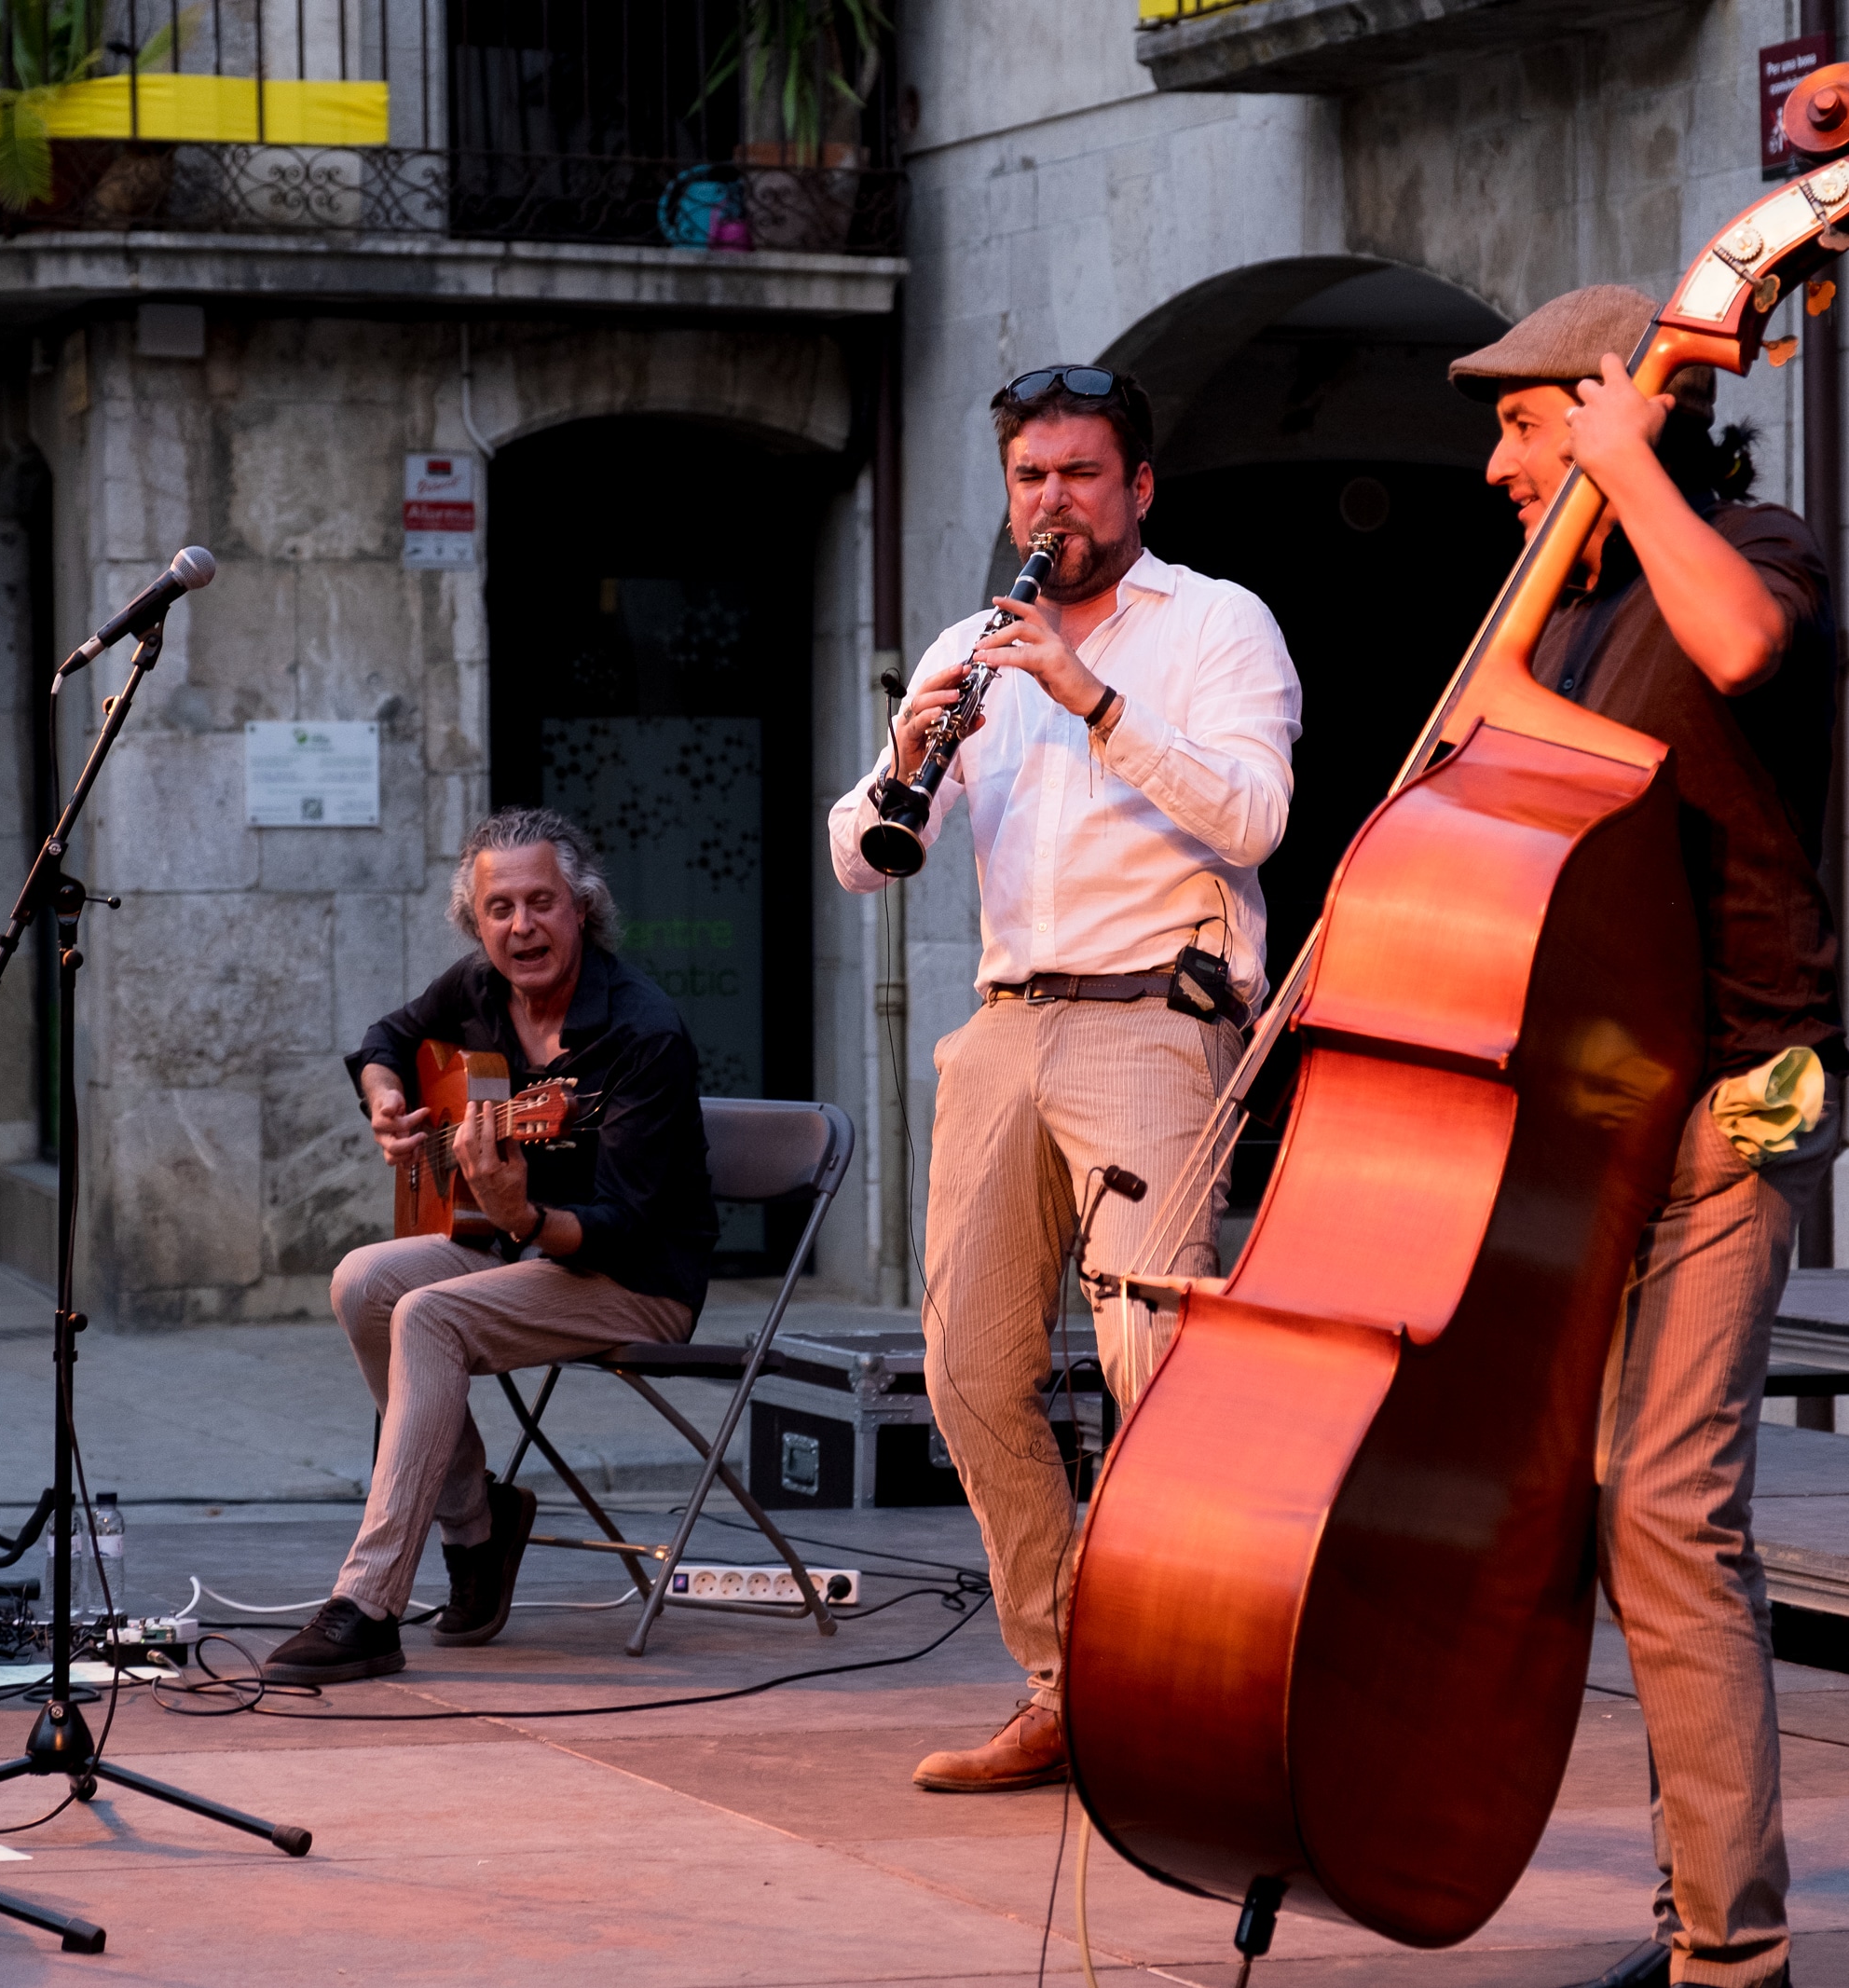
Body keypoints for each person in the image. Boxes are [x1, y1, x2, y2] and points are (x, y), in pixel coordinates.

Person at [829, 365, 1302, 1791]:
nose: (1054, 502)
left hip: (1157, 1017)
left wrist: (1090, 697)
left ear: (1137, 488)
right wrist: (906, 758)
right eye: (1031, 477)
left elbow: (1256, 817)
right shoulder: (971, 639)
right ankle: (1062, 1679)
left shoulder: (1216, 623)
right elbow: (858, 854)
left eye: (1081, 476)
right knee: (966, 1368)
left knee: (1154, 1365)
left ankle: (1174, 1678)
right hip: (1001, 1026)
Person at [1449, 286, 1844, 1988]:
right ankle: (1696, 1904)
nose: (1491, 464)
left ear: (1626, 409)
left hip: (1737, 1091)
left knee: (1671, 1514)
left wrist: (1624, 465)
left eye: (1522, 424)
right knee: (1608, 1507)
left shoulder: (1748, 546)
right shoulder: (1590, 608)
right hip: (1596, 1111)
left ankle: (1732, 1961)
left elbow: (1747, 647)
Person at [267, 808, 718, 1684]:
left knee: (430, 1316)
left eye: (542, 902)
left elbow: (622, 1226)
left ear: (581, 908)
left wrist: (519, 1215)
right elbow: (383, 1039)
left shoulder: (641, 1034)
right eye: (499, 908)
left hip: (633, 1277)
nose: (522, 927)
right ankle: (477, 1524)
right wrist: (386, 1100)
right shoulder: (476, 990)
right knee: (363, 1280)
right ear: (477, 923)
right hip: (525, 1254)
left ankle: (368, 1603)